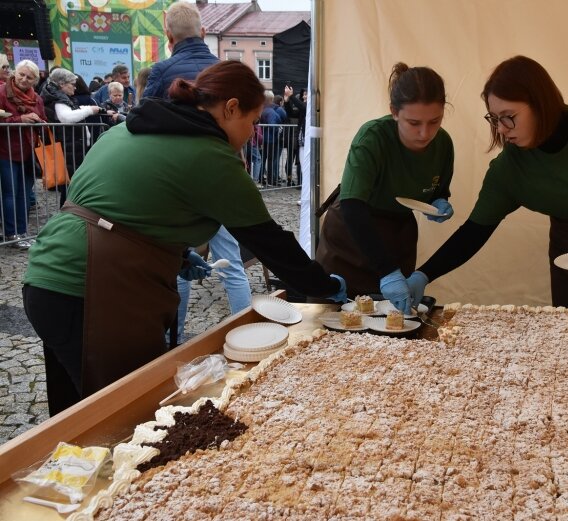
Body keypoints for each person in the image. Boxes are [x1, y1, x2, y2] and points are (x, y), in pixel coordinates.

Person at [22, 60, 347, 415]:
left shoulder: (129, 128)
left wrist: (175, 256)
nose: (253, 133)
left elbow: (125, 207)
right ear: (231, 108)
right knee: (123, 413)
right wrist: (324, 285)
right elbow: (269, 241)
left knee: (75, 415)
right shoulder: (210, 156)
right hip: (91, 290)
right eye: (252, 122)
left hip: (47, 279)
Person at [406, 55, 568, 312]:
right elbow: (474, 232)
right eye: (495, 119)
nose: (501, 128)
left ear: (539, 103)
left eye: (509, 115)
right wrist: (423, 274)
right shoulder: (509, 170)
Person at [140, 0, 251, 341]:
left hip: (176, 188)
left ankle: (176, 340)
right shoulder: (226, 72)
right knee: (231, 262)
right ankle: (248, 332)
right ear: (203, 32)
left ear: (167, 34)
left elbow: (141, 126)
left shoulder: (160, 72)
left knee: (178, 264)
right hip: (223, 178)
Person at [315, 63, 455, 312]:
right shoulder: (373, 137)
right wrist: (387, 271)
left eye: (435, 121)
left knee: (392, 322)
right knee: (337, 317)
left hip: (398, 233)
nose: (425, 133)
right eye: (414, 123)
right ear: (394, 112)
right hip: (352, 233)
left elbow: (438, 189)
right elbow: (352, 205)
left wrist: (438, 203)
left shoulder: (443, 144)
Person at [40, 68, 105, 206]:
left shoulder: (59, 96)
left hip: (73, 146)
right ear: (62, 84)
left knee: (71, 186)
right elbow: (67, 117)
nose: (75, 87)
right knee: (71, 187)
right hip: (69, 148)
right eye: (72, 84)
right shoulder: (58, 99)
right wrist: (89, 110)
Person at [0, 60, 46, 249]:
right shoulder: (2, 92)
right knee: (10, 193)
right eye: (21, 74)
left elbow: (44, 117)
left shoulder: (37, 98)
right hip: (6, 150)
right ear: (14, 73)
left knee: (25, 194)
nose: (24, 79)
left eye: (29, 77)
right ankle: (12, 234)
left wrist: (40, 122)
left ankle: (23, 232)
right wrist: (20, 119)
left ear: (35, 80)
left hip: (28, 152)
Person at [142, 1, 218, 100]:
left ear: (169, 35)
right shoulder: (225, 70)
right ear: (203, 32)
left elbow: (144, 112)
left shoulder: (161, 71)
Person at [259, 90, 283, 186]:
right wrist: (279, 129)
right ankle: (270, 179)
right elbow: (272, 125)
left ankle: (262, 178)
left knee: (263, 159)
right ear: (271, 99)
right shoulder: (270, 112)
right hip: (271, 139)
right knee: (271, 160)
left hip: (264, 139)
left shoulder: (263, 110)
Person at [283, 85, 305, 185]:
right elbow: (291, 113)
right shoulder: (302, 109)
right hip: (297, 141)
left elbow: (303, 107)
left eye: (306, 95)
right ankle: (292, 180)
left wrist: (291, 96)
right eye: (303, 95)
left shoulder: (307, 108)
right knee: (297, 162)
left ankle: (301, 183)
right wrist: (287, 101)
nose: (304, 97)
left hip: (303, 141)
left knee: (301, 163)